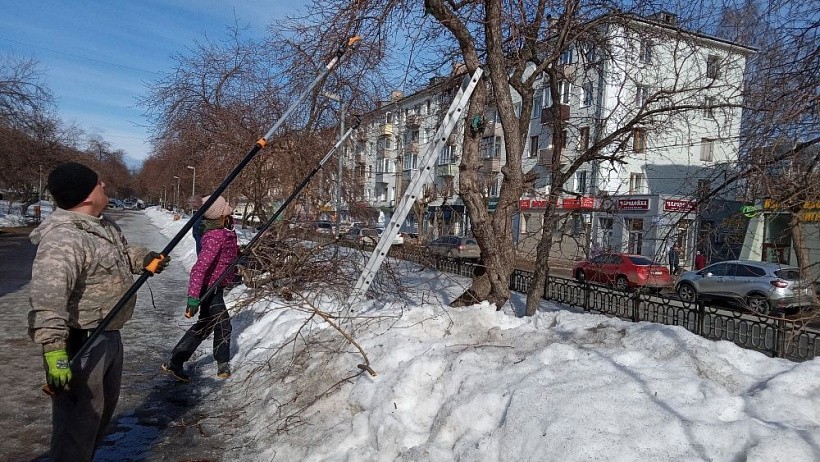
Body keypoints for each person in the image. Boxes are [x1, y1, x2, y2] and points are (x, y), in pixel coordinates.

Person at [28, 162, 169, 461]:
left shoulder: (103, 226)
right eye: (97, 183)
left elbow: (121, 251)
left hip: (110, 335)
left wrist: (143, 257)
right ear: (86, 196)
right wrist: (54, 351)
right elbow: (48, 299)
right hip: (82, 343)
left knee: (99, 416)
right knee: (78, 424)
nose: (104, 185)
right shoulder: (64, 239)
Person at [162, 195, 239, 382]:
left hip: (216, 286)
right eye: (226, 205)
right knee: (223, 325)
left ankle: (176, 361)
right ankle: (222, 362)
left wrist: (238, 253)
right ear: (220, 214)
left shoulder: (225, 231)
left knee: (205, 324)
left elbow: (226, 254)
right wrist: (193, 298)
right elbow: (199, 268)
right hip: (209, 288)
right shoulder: (215, 236)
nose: (230, 206)